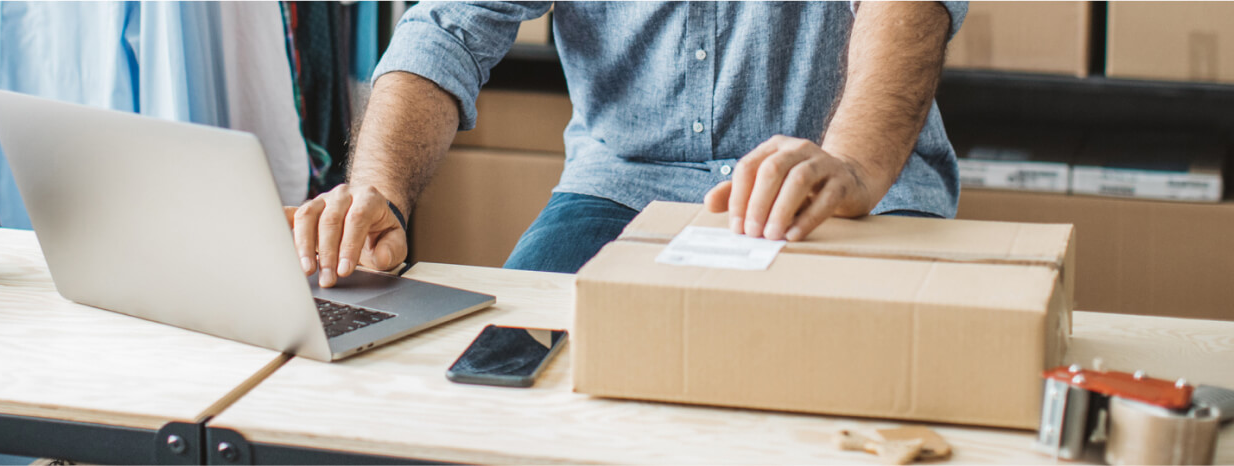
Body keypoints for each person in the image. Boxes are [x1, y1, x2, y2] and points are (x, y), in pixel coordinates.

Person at [289, 2, 966, 287]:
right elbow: (448, 26)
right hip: (621, 189)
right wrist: (379, 191)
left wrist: (853, 161)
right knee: (510, 373)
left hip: (847, 190)